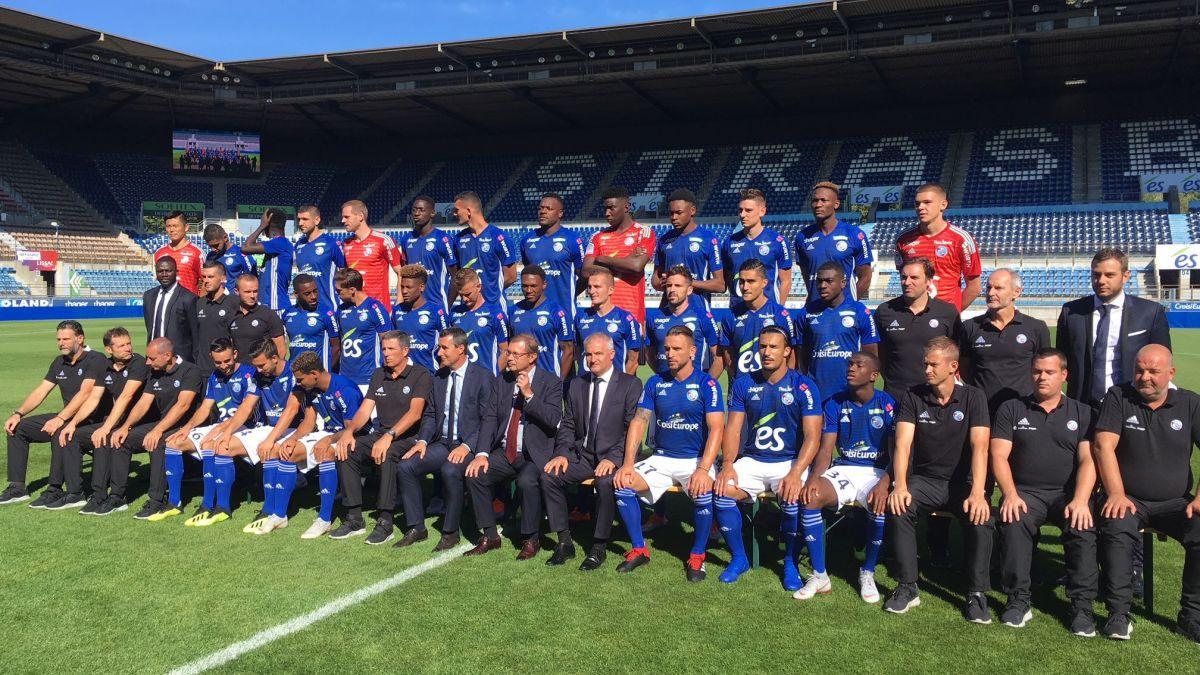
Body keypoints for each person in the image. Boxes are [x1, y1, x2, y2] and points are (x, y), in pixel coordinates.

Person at [1094, 344, 1200, 643]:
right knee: (1117, 526)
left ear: (1171, 373)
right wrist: (1115, 493)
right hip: (1129, 499)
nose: (1145, 377)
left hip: (1176, 502)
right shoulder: (1119, 396)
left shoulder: (1190, 404)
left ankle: (1191, 616)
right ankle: (1118, 615)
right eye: (1139, 370)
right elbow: (1104, 445)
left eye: (1154, 371)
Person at [884, 337, 993, 622]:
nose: (927, 370)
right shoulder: (913, 395)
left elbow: (980, 448)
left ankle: (977, 593)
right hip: (926, 481)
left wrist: (979, 492)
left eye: (934, 364)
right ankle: (908, 586)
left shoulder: (974, 397)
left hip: (962, 484)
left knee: (981, 519)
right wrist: (900, 485)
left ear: (953, 367)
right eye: (925, 364)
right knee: (899, 507)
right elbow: (903, 444)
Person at [991, 348, 1098, 634]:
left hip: (1066, 494)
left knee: (1082, 525)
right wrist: (1010, 494)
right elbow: (999, 456)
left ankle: (1081, 606)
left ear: (1064, 375)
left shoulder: (1082, 412)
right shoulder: (1011, 408)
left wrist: (1081, 500)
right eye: (1037, 371)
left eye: (1049, 372)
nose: (1041, 377)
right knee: (1013, 520)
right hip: (1026, 493)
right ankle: (1018, 600)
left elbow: (1088, 460)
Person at [613, 326, 724, 581]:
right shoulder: (655, 382)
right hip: (661, 458)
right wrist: (628, 463)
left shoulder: (707, 384)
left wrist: (703, 470)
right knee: (622, 484)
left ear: (692, 352)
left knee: (703, 491)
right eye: (667, 349)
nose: (670, 354)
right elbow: (639, 421)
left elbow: (717, 428)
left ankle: (697, 555)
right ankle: (640, 549)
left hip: (694, 460)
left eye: (677, 349)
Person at [715, 326, 823, 586]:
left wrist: (796, 473)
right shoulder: (744, 383)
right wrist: (728, 465)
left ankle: (790, 561)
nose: (766, 352)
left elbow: (813, 437)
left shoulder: (804, 386)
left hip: (788, 461)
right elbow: (733, 428)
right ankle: (739, 557)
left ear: (787, 351)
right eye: (762, 346)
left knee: (792, 495)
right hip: (753, 459)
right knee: (721, 491)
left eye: (773, 347)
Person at [794, 352, 894, 603]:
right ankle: (820, 576)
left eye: (859, 365)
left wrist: (886, 482)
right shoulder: (835, 403)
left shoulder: (888, 403)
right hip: (846, 468)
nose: (851, 368)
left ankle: (867, 571)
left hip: (877, 471)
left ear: (873, 375)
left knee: (879, 505)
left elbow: (898, 451)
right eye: (850, 364)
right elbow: (826, 449)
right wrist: (814, 478)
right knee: (811, 497)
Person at [541, 333, 643, 569]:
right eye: (588, 354)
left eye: (598, 353)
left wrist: (614, 458)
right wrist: (562, 453)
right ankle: (564, 542)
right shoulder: (577, 384)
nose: (592, 359)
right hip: (583, 455)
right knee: (549, 476)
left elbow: (632, 429)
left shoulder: (630, 384)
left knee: (606, 482)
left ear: (612, 354)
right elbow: (567, 423)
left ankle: (599, 546)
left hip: (614, 455)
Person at [462, 334, 564, 558]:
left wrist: (529, 394)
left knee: (526, 481)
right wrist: (481, 453)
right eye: (508, 353)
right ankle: (490, 535)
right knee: (475, 473)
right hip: (505, 452)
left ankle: (531, 538)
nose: (509, 358)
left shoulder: (551, 382)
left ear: (532, 357)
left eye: (516, 354)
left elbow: (553, 419)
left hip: (533, 453)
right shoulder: (503, 381)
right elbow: (489, 418)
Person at [394, 327, 496, 551]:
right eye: (439, 347)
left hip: (469, 444)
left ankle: (450, 532)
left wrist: (468, 446)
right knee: (406, 466)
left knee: (451, 470)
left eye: (444, 347)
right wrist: (422, 441)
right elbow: (431, 414)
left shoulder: (483, 376)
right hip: (442, 443)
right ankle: (416, 527)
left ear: (461, 349)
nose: (439, 352)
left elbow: (487, 419)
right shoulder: (439, 377)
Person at [331, 331, 433, 545]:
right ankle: (354, 518)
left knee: (387, 453)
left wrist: (389, 435)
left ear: (405, 351)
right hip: (381, 434)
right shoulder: (379, 374)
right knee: (346, 450)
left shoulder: (420, 374)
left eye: (391, 349)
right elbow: (364, 411)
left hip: (409, 437)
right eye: (383, 349)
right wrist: (348, 432)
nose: (385, 354)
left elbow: (415, 414)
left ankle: (385, 520)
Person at [2, 321, 108, 507]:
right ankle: (17, 488)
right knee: (18, 428)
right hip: (66, 416)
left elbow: (85, 393)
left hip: (90, 419)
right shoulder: (59, 362)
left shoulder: (96, 359)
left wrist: (60, 419)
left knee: (60, 431)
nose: (61, 342)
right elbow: (41, 391)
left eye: (66, 339)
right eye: (58, 339)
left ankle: (54, 489)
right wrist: (18, 413)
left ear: (80, 338)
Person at [1056, 247, 1171, 409]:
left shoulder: (1150, 312)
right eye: (1096, 274)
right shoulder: (1071, 312)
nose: (1101, 280)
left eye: (1109, 275)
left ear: (1125, 276)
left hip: (1132, 405)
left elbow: (1162, 362)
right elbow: (1063, 360)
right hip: (1082, 406)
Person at [206, 338, 300, 533]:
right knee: (223, 446)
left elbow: (291, 411)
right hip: (269, 428)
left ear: (275, 358)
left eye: (261, 365)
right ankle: (222, 507)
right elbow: (246, 407)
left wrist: (270, 439)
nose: (257, 370)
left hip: (294, 429)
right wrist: (227, 432)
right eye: (255, 365)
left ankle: (271, 510)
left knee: (270, 449)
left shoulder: (292, 374)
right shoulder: (258, 376)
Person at [106, 338, 205, 519]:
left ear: (167, 356)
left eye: (151, 358)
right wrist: (125, 427)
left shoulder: (190, 371)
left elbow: (183, 406)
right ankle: (117, 496)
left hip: (187, 425)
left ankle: (157, 500)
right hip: (164, 423)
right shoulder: (155, 372)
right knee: (122, 439)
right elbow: (143, 403)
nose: (147, 362)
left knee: (158, 442)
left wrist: (158, 430)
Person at [163, 339, 257, 527]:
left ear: (235, 354)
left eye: (227, 360)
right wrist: (187, 427)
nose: (224, 366)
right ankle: (175, 502)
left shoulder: (250, 374)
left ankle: (218, 506)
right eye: (218, 362)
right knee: (173, 442)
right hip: (220, 426)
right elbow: (205, 408)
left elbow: (246, 411)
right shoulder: (215, 376)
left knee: (211, 444)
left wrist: (220, 429)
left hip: (247, 427)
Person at [58, 328, 150, 514]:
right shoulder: (105, 366)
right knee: (72, 435)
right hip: (118, 419)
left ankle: (116, 497)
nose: (127, 348)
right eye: (121, 345)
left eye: (128, 343)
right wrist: (73, 423)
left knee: (104, 437)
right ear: (109, 349)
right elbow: (93, 398)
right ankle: (78, 493)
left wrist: (106, 427)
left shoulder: (139, 363)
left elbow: (126, 396)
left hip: (142, 421)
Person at [287, 351, 369, 539]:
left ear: (314, 374)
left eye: (300, 380)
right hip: (330, 434)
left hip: (355, 436)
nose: (298, 384)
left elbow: (352, 429)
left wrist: (329, 440)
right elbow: (309, 420)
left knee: (325, 454)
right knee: (288, 451)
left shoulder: (344, 389)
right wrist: (292, 438)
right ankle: (277, 514)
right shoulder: (312, 390)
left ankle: (324, 519)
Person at [873, 257, 964, 401]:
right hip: (895, 396)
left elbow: (958, 353)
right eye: (904, 277)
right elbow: (879, 354)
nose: (907, 282)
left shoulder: (947, 312)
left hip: (934, 397)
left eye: (914, 277)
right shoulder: (885, 311)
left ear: (928, 281)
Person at [961, 268, 1051, 412]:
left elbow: (1044, 369)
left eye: (998, 288)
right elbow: (964, 368)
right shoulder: (969, 327)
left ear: (1016, 292)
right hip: (982, 411)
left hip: (1023, 411)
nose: (991, 293)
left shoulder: (1036, 328)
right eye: (989, 287)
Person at [796, 261, 879, 401]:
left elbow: (870, 356)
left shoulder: (859, 311)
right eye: (820, 281)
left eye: (829, 281)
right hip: (816, 392)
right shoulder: (805, 313)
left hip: (849, 393)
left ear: (843, 283)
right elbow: (801, 354)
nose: (822, 286)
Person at [894, 182, 981, 310]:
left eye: (927, 202)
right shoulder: (903, 239)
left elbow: (974, 286)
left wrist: (952, 314)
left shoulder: (962, 240)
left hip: (946, 320)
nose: (920, 207)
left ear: (943, 205)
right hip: (913, 316)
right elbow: (904, 278)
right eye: (917, 204)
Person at [583, 186, 656, 325]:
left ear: (626, 207)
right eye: (605, 209)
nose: (607, 213)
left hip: (632, 314)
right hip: (601, 315)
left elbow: (636, 266)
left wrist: (602, 259)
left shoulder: (643, 233)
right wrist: (625, 262)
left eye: (611, 208)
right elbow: (586, 271)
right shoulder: (597, 237)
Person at [720, 259, 798, 380]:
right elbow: (728, 354)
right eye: (741, 282)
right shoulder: (730, 316)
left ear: (764, 283)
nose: (745, 287)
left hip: (773, 387)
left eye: (751, 281)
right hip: (743, 387)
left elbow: (791, 356)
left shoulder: (780, 314)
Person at [795, 181, 873, 300]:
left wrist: (850, 303)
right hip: (814, 309)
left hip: (845, 311)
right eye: (814, 201)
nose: (818, 205)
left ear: (836, 204)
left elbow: (865, 277)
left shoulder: (854, 234)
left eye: (823, 200)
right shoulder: (802, 237)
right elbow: (807, 277)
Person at [652, 189, 724, 310]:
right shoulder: (664, 240)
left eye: (679, 213)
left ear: (692, 211)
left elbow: (720, 285)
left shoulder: (708, 239)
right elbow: (655, 279)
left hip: (698, 311)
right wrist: (662, 282)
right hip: (668, 311)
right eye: (671, 213)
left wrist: (686, 282)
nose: (674, 217)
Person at [646, 265, 721, 377]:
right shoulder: (654, 317)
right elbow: (649, 354)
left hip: (694, 390)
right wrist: (661, 376)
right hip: (666, 389)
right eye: (669, 285)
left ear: (689, 290)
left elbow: (719, 357)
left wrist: (706, 384)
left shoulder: (702, 316)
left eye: (678, 286)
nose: (672, 290)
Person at [519, 193, 585, 320]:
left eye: (548, 209)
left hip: (564, 313)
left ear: (560, 213)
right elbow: (529, 273)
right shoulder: (527, 240)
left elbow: (584, 276)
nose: (543, 211)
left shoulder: (572, 240)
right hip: (535, 313)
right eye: (540, 208)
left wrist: (570, 295)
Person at [721, 188, 792, 302]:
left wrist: (779, 308)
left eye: (748, 210)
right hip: (738, 312)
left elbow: (786, 281)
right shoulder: (729, 242)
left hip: (768, 313)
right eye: (740, 210)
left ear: (762, 211)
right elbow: (728, 278)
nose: (743, 215)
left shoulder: (777, 241)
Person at [452, 190, 517, 311]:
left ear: (469, 211)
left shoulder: (499, 237)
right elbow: (456, 276)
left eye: (457, 210)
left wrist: (490, 292)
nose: (454, 214)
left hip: (494, 309)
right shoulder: (458, 239)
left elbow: (511, 276)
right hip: (468, 310)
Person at [508, 265, 575, 378]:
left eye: (533, 286)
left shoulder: (556, 312)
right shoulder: (513, 311)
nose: (529, 290)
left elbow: (568, 350)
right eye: (525, 286)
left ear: (544, 285)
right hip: (520, 379)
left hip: (548, 380)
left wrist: (559, 382)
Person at [334, 268, 393, 392]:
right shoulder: (341, 310)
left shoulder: (375, 308)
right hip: (345, 378)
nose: (337, 294)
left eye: (339, 291)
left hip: (369, 378)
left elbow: (387, 341)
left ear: (352, 290)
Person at [575, 268, 641, 376]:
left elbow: (634, 359)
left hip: (614, 387)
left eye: (597, 287)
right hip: (585, 385)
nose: (591, 291)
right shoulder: (580, 317)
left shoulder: (626, 319)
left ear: (610, 290)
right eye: (589, 287)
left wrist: (621, 384)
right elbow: (578, 353)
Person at [341, 199, 403, 312]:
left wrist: (399, 300)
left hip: (379, 311)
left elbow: (401, 272)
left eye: (347, 217)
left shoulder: (383, 241)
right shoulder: (346, 244)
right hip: (355, 311)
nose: (342, 220)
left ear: (360, 216)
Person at [397, 195, 458, 309]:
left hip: (437, 305)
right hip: (413, 308)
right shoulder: (406, 239)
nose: (416, 213)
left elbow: (456, 276)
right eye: (414, 210)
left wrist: (447, 305)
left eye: (421, 210)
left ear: (432, 213)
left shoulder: (443, 239)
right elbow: (405, 274)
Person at [449, 268, 509, 376]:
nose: (464, 299)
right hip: (461, 378)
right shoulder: (454, 313)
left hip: (486, 380)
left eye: (468, 294)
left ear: (478, 287)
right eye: (461, 295)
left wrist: (493, 377)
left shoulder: (495, 313)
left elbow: (505, 351)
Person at [391, 265, 450, 372]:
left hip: (430, 374)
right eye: (402, 287)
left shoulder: (436, 311)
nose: (404, 291)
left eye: (408, 287)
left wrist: (441, 373)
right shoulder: (397, 311)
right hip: (403, 375)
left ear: (421, 287)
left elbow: (448, 344)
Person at [292, 204, 347, 312]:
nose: (300, 223)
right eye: (299, 219)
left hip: (328, 307)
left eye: (305, 219)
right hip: (306, 307)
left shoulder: (331, 244)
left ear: (317, 220)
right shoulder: (298, 245)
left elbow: (343, 273)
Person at [143, 256, 196, 363]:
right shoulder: (148, 296)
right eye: (160, 271)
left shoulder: (188, 298)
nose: (164, 274)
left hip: (178, 360)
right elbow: (149, 326)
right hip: (153, 359)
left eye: (168, 271)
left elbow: (195, 334)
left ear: (176, 272)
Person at [282, 274, 341, 371]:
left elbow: (336, 347)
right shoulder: (287, 314)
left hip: (317, 374)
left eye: (315, 291)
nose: (313, 296)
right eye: (307, 294)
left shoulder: (326, 314)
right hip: (296, 372)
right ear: (296, 294)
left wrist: (326, 371)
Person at [241, 207, 295, 311]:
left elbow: (245, 248)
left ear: (268, 222)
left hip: (276, 307)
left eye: (264, 221)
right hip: (268, 306)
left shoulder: (280, 243)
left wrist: (261, 226)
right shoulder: (275, 246)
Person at [192, 260, 241, 373]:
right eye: (204, 277)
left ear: (223, 278)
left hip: (226, 370)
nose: (206, 281)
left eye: (211, 277)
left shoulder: (234, 302)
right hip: (202, 370)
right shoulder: (199, 303)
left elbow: (237, 338)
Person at [229, 274, 288, 365]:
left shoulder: (269, 315)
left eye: (255, 291)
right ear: (236, 291)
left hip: (262, 373)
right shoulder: (231, 314)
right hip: (240, 374)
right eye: (247, 292)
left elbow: (281, 349)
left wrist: (269, 370)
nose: (252, 296)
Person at [153, 211, 203, 294]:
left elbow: (205, 280)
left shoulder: (196, 252)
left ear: (186, 227)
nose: (171, 230)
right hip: (167, 303)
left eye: (175, 226)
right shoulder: (159, 253)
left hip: (189, 304)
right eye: (168, 226)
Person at [204, 223, 256, 294]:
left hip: (235, 300)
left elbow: (253, 278)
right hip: (216, 300)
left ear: (225, 237)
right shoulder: (210, 256)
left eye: (216, 245)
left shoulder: (241, 253)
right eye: (210, 246)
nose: (213, 249)